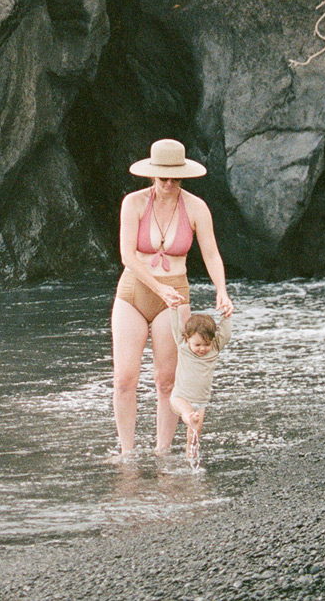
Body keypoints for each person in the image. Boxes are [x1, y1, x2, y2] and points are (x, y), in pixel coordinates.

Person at [111, 137, 233, 456]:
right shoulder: (134, 203)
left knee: (167, 381)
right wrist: (157, 287)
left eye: (175, 178)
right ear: (152, 174)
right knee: (125, 378)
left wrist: (221, 290)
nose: (168, 184)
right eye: (163, 177)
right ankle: (127, 454)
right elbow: (127, 256)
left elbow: (212, 255)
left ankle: (162, 452)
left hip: (175, 297)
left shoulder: (195, 208)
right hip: (133, 293)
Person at [168, 306, 232, 465]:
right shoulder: (183, 346)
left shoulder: (215, 349)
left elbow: (226, 334)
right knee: (187, 413)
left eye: (206, 344)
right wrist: (173, 308)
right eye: (197, 345)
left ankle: (191, 463)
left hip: (201, 403)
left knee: (194, 438)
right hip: (180, 397)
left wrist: (227, 316)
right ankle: (188, 417)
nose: (202, 349)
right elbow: (175, 325)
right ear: (187, 337)